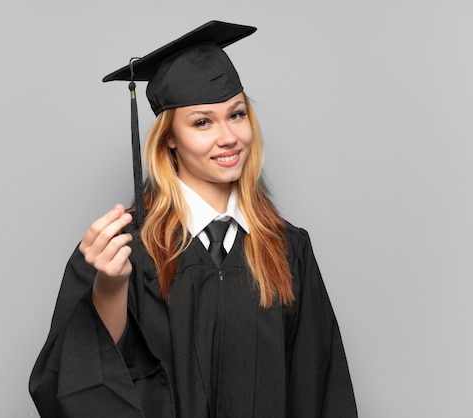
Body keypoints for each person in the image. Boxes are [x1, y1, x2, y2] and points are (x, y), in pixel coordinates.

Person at [29, 20, 357, 417]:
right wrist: (111, 287)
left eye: (236, 115)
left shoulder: (288, 249)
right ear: (169, 138)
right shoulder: (123, 250)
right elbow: (75, 384)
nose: (228, 137)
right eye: (203, 122)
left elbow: (320, 390)